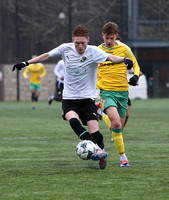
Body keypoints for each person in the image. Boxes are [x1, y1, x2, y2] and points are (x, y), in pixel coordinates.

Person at [12, 24, 133, 169]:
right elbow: (46, 55)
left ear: (88, 40)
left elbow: (111, 57)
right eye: (77, 43)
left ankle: (101, 152)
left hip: (87, 99)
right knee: (73, 121)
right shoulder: (65, 48)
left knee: (96, 134)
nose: (80, 46)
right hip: (69, 99)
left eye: (83, 43)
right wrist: (26, 63)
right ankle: (99, 151)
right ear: (72, 40)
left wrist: (124, 60)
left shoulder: (94, 51)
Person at [96, 22, 140, 167]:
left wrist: (136, 76)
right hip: (107, 91)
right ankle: (123, 158)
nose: (109, 41)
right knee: (115, 122)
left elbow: (135, 63)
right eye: (106, 38)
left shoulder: (124, 48)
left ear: (116, 36)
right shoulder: (97, 51)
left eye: (112, 38)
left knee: (118, 125)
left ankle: (101, 112)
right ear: (102, 36)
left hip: (122, 91)